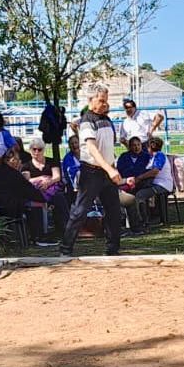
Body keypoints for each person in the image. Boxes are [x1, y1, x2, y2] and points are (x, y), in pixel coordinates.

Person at [60, 85, 125, 256]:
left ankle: (113, 249)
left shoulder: (107, 119)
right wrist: (109, 169)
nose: (105, 104)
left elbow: (108, 147)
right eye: (101, 100)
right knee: (80, 210)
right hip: (92, 172)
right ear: (91, 100)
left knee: (114, 211)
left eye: (106, 100)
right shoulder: (87, 121)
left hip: (107, 171)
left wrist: (112, 168)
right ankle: (65, 249)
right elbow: (92, 148)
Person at [0, 148, 47, 243]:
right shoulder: (13, 174)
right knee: (37, 204)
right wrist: (44, 198)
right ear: (10, 161)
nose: (19, 162)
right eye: (17, 160)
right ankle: (39, 237)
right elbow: (28, 190)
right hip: (11, 207)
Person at [115, 135, 156, 236]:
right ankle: (123, 225)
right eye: (134, 145)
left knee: (139, 196)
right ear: (130, 146)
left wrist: (137, 178)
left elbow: (148, 171)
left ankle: (142, 223)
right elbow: (120, 171)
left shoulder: (146, 157)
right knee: (121, 197)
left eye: (138, 145)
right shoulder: (124, 157)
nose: (136, 147)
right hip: (125, 183)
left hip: (141, 183)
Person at [134, 137, 174, 226]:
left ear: (152, 146)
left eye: (146, 147)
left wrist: (140, 177)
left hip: (162, 185)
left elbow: (155, 171)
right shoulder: (151, 157)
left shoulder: (159, 156)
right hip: (154, 184)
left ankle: (144, 220)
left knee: (140, 195)